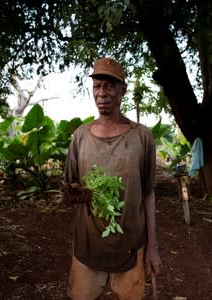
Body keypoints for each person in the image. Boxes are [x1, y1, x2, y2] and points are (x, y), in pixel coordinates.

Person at [64, 57, 162, 299]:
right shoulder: (80, 137)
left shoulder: (142, 137)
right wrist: (76, 193)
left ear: (123, 90)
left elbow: (148, 194)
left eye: (109, 85)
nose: (102, 93)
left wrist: (152, 247)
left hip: (131, 245)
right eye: (97, 86)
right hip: (88, 246)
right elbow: (69, 190)